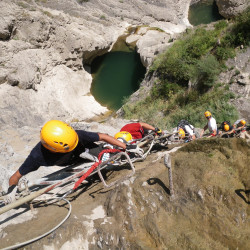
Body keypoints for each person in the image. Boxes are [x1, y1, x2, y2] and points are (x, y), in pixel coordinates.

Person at [8, 120, 144, 187]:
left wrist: (126, 146)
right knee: (94, 175)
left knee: (105, 158)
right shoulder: (37, 156)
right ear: (53, 149)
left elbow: (102, 136)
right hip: (72, 161)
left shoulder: (75, 136)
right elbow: (16, 176)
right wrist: (12, 191)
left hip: (87, 150)